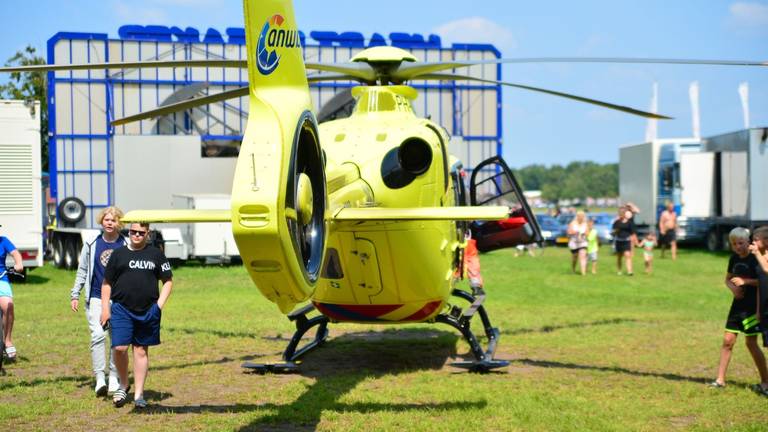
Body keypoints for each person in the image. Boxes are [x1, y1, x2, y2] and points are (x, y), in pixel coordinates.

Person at [100, 222, 173, 408]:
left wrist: (158, 306)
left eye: (141, 232)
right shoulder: (119, 254)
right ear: (129, 231)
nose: (136, 235)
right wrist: (105, 309)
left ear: (147, 233)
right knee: (120, 348)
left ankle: (139, 394)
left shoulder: (156, 254)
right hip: (121, 309)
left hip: (148, 310)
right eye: (133, 231)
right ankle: (124, 384)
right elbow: (106, 283)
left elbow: (168, 281)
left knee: (140, 350)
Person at [70, 207, 128, 396]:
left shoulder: (125, 244)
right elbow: (83, 270)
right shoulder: (92, 242)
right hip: (95, 297)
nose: (109, 223)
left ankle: (113, 376)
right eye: (106, 220)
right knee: (98, 335)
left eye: (113, 220)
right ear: (101, 221)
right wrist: (75, 294)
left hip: (119, 299)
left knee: (115, 339)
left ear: (119, 222)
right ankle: (99, 378)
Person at [709, 227, 768, 397]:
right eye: (734, 244)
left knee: (750, 343)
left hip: (752, 307)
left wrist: (745, 281)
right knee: (727, 340)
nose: (738, 247)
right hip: (737, 306)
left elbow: (762, 282)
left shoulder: (756, 259)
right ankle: (720, 380)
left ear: (748, 242)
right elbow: (728, 279)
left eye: (741, 243)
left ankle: (765, 382)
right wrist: (733, 289)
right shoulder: (733, 258)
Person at [0, 226, 23, 361]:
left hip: (1, 279)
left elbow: (15, 253)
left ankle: (7, 340)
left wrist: (19, 263)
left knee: (8, 305)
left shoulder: (4, 241)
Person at [749, 226, 768, 347]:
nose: (753, 243)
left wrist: (756, 253)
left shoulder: (759, 257)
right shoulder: (757, 259)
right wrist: (758, 310)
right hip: (765, 308)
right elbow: (759, 285)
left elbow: (767, 269)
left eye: (756, 239)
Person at [612, 207, 638, 276]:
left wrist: (635, 241)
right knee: (619, 257)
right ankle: (619, 270)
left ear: (625, 214)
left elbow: (633, 233)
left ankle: (630, 271)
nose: (620, 214)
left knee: (627, 255)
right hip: (619, 241)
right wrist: (615, 231)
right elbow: (613, 232)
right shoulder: (616, 222)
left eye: (622, 213)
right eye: (619, 213)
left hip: (626, 241)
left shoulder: (629, 222)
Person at [567, 211, 588, 275]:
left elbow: (587, 233)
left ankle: (583, 273)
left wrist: (584, 234)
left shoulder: (585, 224)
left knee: (583, 256)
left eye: (582, 216)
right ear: (577, 216)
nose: (581, 217)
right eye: (579, 216)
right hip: (574, 243)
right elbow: (569, 232)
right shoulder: (572, 223)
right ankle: (573, 269)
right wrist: (575, 232)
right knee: (575, 257)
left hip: (582, 242)